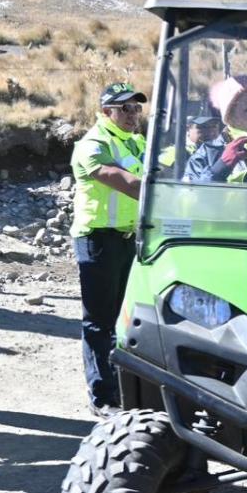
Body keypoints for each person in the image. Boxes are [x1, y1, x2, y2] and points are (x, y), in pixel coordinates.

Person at [70, 82, 147, 417]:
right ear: (106, 112)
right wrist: (168, 192)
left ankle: (121, 387)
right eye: (124, 108)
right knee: (99, 321)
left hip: (128, 238)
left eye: (136, 107)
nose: (132, 114)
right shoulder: (92, 144)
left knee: (124, 319)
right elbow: (122, 181)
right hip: (97, 240)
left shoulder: (137, 141)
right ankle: (101, 394)